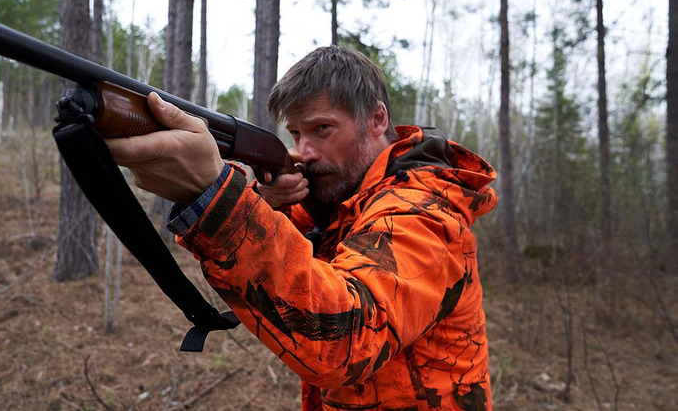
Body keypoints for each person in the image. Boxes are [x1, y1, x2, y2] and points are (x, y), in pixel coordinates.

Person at [106, 46, 498, 411]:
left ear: (377, 120)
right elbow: (295, 272)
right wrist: (265, 204)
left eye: (322, 128)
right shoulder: (336, 202)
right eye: (295, 134)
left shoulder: (423, 210)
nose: (305, 150)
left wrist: (218, 200)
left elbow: (345, 342)